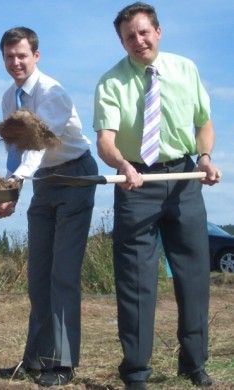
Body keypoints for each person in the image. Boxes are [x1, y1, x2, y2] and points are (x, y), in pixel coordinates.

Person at [93, 3, 221, 390]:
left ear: (158, 32)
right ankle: (135, 372)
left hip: (185, 180)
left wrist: (206, 157)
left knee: (194, 278)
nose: (138, 41)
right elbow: (105, 142)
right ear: (121, 41)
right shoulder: (111, 82)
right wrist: (123, 165)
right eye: (129, 36)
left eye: (144, 32)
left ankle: (194, 365)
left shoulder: (186, 69)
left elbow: (204, 122)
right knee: (136, 281)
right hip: (136, 185)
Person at [0, 27, 98, 387]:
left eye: (22, 55)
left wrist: (18, 180)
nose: (16, 62)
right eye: (9, 56)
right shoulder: (10, 99)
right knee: (38, 276)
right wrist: (8, 193)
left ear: (36, 56)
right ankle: (35, 360)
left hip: (76, 178)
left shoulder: (52, 93)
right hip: (43, 183)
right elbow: (15, 148)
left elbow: (38, 143)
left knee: (63, 274)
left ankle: (63, 364)